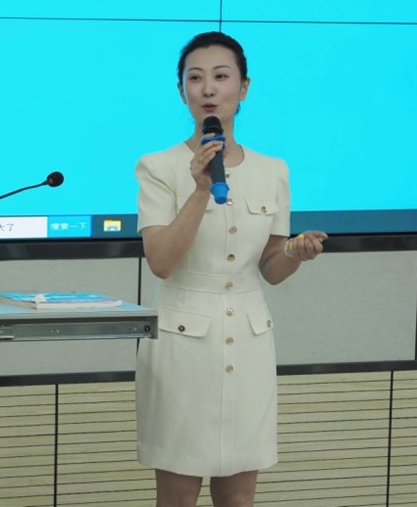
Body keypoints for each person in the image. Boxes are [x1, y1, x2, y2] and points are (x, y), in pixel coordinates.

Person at [135, 31, 327, 507]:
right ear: (181, 90)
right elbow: (161, 262)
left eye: (221, 76)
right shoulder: (158, 167)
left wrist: (296, 254)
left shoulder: (273, 170)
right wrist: (201, 189)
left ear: (243, 87)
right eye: (194, 78)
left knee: (239, 498)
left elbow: (271, 268)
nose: (207, 89)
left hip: (249, 340)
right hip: (182, 345)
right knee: (178, 497)